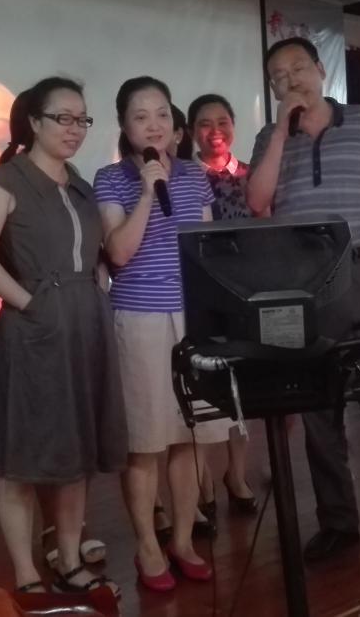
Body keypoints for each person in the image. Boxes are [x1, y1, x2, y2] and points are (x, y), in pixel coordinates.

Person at [246, 37, 360, 561]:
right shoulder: (268, 138)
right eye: (279, 76)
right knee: (316, 408)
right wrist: (280, 132)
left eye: (298, 68)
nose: (291, 80)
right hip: (299, 282)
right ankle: (338, 522)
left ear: (320, 70)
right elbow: (257, 201)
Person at [0, 77, 126, 597]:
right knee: (23, 460)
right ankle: (26, 574)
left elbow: (95, 254)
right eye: (63, 118)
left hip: (86, 325)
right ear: (34, 122)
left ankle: (70, 559)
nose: (75, 129)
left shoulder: (79, 185)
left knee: (77, 455)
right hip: (35, 329)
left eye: (82, 120)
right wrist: (29, 303)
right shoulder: (5, 180)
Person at [94, 76, 232, 592]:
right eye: (140, 116)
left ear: (173, 123)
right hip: (141, 319)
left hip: (194, 319)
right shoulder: (111, 178)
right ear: (124, 126)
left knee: (192, 437)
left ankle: (183, 539)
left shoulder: (195, 175)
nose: (152, 125)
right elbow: (119, 253)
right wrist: (149, 194)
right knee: (146, 441)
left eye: (160, 114)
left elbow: (206, 248)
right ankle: (148, 547)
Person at [186, 94, 259, 519]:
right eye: (204, 123)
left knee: (241, 389)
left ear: (233, 125)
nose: (215, 131)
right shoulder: (183, 177)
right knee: (203, 388)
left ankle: (237, 474)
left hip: (243, 294)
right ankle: (203, 483)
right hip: (201, 295)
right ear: (191, 131)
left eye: (222, 121)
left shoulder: (250, 175)